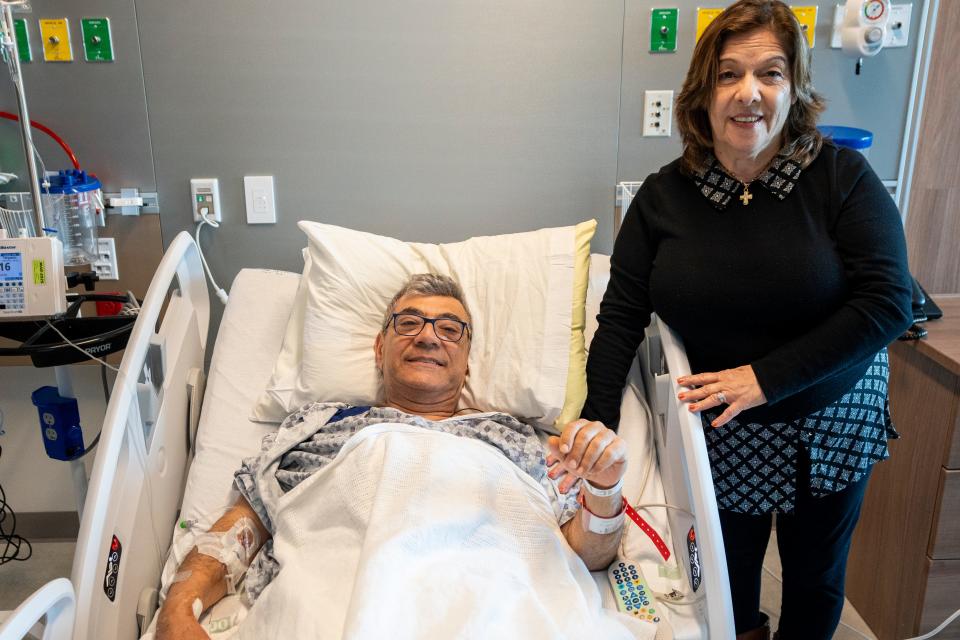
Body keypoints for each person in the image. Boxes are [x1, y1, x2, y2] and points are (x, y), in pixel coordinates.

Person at [581, 2, 912, 638]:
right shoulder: (663, 198)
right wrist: (595, 424)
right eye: (728, 74)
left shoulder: (841, 178)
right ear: (702, 95)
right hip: (724, 426)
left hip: (831, 414)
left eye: (770, 73)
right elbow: (621, 315)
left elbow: (888, 300)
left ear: (795, 88)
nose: (748, 93)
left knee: (815, 578)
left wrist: (764, 378)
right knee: (727, 583)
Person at [156, 274, 630, 639]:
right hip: (332, 596)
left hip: (494, 596)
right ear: (381, 347)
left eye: (449, 329)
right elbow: (242, 525)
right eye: (409, 323)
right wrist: (177, 611)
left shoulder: (516, 439)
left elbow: (585, 553)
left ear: (467, 363)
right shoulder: (317, 427)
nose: (428, 337)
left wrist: (604, 489)